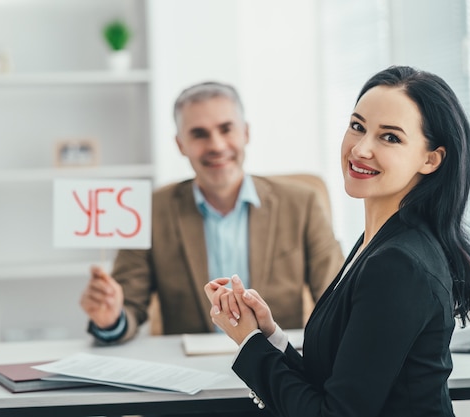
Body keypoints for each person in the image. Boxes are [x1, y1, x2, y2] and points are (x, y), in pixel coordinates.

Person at [205, 66, 470, 416]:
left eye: (390, 137)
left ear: (430, 159)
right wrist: (269, 335)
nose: (361, 148)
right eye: (358, 126)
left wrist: (247, 342)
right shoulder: (380, 241)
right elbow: (335, 382)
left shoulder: (399, 264)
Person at [80, 81, 344, 343]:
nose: (216, 145)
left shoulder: (302, 203)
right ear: (181, 144)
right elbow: (129, 306)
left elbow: (338, 300)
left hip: (279, 366)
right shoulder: (150, 211)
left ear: (246, 133)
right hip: (193, 371)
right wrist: (111, 319)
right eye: (199, 134)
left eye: (226, 129)